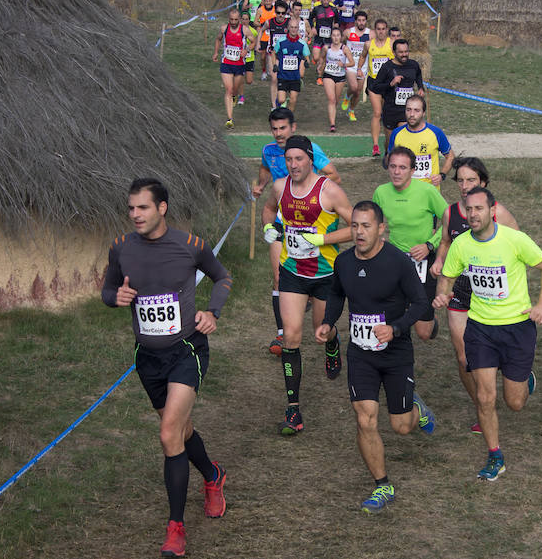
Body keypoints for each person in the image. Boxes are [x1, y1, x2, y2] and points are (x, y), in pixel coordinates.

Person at [101, 178, 233, 557]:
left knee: (167, 433)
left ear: (162, 208)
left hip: (186, 349)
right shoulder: (122, 248)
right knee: (181, 430)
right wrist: (116, 297)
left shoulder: (189, 245)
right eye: (131, 208)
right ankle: (213, 475)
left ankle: (175, 528)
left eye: (142, 207)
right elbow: (107, 290)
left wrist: (213, 311)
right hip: (148, 358)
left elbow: (222, 276)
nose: (135, 215)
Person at [317, 200, 436, 514]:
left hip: (396, 352)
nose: (359, 232)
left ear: (382, 229)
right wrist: (328, 322)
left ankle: (414, 407)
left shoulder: (398, 262)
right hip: (360, 353)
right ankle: (383, 485)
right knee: (365, 418)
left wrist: (395, 329)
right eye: (355, 225)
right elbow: (336, 293)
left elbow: (421, 305)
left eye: (366, 226)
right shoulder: (343, 263)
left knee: (401, 426)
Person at [432, 187, 542, 481]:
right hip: (480, 328)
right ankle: (494, 455)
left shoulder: (514, 239)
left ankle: (525, 381)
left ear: (492, 210)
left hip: (517, 327)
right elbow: (448, 276)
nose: (473, 214)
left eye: (479, 209)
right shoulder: (461, 245)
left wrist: (541, 304)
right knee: (485, 398)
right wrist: (442, 294)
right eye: (469, 209)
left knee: (515, 402)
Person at [260, 135, 354, 434]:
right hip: (292, 272)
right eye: (289, 160)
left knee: (321, 332)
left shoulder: (330, 191)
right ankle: (293, 410)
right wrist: (269, 227)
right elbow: (269, 209)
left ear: (310, 159)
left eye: (299, 159)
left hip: (325, 275)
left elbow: (357, 228)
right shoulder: (280, 186)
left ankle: (332, 345)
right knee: (290, 337)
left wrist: (323, 239)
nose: (293, 165)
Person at [430, 157, 518, 434]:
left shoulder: (498, 213)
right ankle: (482, 407)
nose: (465, 186)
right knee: (464, 358)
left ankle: (518, 374)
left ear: (483, 182)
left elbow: (518, 247)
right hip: (460, 288)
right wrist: (439, 261)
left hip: (493, 291)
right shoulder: (450, 213)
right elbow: (445, 240)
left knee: (499, 351)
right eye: (461, 180)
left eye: (471, 180)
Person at [253, 108, 342, 356]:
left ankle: (311, 300)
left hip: (310, 221)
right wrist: (261, 186)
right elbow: (265, 170)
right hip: (283, 221)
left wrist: (312, 190)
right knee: (280, 276)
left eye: (283, 128)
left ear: (293, 127)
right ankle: (283, 334)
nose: (279, 133)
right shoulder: (269, 151)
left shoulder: (309, 149)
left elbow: (335, 175)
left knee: (312, 277)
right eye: (275, 129)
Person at [372, 146, 447, 341]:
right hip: (395, 260)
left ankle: (428, 320)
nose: (396, 172)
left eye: (403, 168)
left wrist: (429, 245)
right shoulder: (381, 192)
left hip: (424, 259)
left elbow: (450, 221)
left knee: (424, 333)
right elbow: (373, 223)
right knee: (392, 314)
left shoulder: (427, 191)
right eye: (393, 166)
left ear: (413, 170)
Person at [386, 95, 453, 189]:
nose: (412, 114)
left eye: (416, 110)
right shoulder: (396, 133)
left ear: (423, 113)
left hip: (429, 190)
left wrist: (442, 175)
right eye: (408, 110)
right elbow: (389, 159)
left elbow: (450, 156)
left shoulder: (436, 133)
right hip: (404, 190)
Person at [374, 39, 425, 146]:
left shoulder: (413, 65)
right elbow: (375, 87)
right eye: (401, 52)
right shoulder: (387, 67)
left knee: (403, 142)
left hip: (406, 110)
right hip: (390, 110)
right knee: (390, 143)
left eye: (406, 52)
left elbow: (418, 75)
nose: (404, 55)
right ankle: (388, 158)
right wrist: (390, 84)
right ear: (394, 53)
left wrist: (420, 87)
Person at [212, 8, 256, 128]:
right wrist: (216, 52)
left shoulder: (245, 30)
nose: (233, 21)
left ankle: (235, 96)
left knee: (235, 89)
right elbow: (218, 39)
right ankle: (229, 119)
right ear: (228, 19)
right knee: (229, 89)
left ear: (240, 19)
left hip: (239, 64)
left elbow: (253, 41)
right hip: (226, 63)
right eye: (231, 19)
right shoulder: (224, 28)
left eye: (236, 19)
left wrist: (246, 50)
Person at [357, 18, 393, 156]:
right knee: (377, 113)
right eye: (378, 29)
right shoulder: (368, 44)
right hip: (374, 82)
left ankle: (389, 144)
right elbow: (362, 56)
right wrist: (360, 68)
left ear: (387, 30)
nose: (381, 31)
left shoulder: (391, 44)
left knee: (386, 114)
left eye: (383, 29)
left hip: (389, 84)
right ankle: (376, 145)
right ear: (374, 30)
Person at [319, 27, 356, 132]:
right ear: (331, 37)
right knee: (331, 99)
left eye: (338, 35)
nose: (336, 38)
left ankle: (332, 114)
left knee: (335, 100)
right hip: (328, 75)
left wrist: (343, 64)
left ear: (341, 37)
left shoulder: (344, 49)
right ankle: (332, 124)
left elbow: (352, 62)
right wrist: (321, 66)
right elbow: (322, 57)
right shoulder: (327, 48)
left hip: (340, 77)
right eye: (334, 35)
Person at [273, 17, 309, 111]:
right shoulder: (281, 41)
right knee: (281, 100)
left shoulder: (302, 43)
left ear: (298, 28)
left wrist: (306, 63)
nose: (293, 29)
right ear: (288, 27)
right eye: (292, 27)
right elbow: (274, 52)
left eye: (295, 27)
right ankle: (282, 102)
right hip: (283, 75)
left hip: (295, 76)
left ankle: (289, 118)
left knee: (293, 100)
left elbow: (307, 56)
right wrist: (275, 64)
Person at [343, 11, 370, 121]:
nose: (361, 22)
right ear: (355, 21)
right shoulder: (348, 32)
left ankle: (351, 110)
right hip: (351, 64)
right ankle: (346, 97)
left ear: (366, 21)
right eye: (359, 20)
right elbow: (339, 44)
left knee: (358, 92)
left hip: (363, 66)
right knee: (353, 87)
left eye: (363, 20)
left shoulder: (370, 34)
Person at [309, 0, 339, 86]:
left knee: (324, 58)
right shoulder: (317, 8)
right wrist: (313, 28)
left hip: (328, 39)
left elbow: (337, 22)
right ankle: (318, 64)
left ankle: (319, 77)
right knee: (316, 57)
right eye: (324, 0)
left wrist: (335, 31)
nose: (326, 2)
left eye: (327, 0)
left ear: (330, 0)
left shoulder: (334, 10)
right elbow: (310, 18)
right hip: (318, 37)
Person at [238, 10, 259, 104]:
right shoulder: (237, 30)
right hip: (240, 58)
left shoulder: (253, 32)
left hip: (250, 57)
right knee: (241, 78)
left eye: (246, 19)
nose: (244, 21)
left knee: (249, 81)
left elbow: (255, 43)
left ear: (249, 20)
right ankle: (241, 96)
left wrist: (250, 48)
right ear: (240, 19)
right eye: (243, 19)